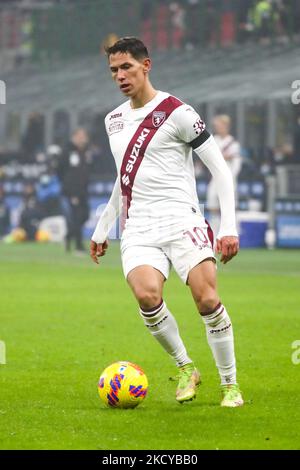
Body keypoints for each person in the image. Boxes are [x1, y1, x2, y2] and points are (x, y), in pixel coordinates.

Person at [90, 37, 244, 407]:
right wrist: (103, 224)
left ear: (147, 65)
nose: (120, 76)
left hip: (182, 220)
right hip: (139, 225)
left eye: (126, 67)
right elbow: (123, 178)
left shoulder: (178, 112)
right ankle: (185, 367)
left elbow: (219, 169)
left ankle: (230, 384)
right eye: (114, 70)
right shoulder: (113, 120)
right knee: (147, 295)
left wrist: (228, 226)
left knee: (207, 300)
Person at [207, 114, 242, 234]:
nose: (217, 128)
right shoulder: (213, 140)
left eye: (219, 125)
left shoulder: (233, 143)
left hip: (229, 179)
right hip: (214, 178)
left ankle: (232, 234)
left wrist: (229, 178)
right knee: (213, 207)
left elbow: (237, 164)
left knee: (229, 208)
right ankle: (215, 235)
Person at [58, 128, 90, 253]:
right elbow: (60, 170)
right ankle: (78, 246)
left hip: (83, 190)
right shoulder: (67, 151)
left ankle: (68, 236)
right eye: (81, 136)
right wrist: (69, 188)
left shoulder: (85, 151)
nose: (84, 139)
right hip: (72, 191)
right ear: (75, 136)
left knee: (85, 215)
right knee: (77, 217)